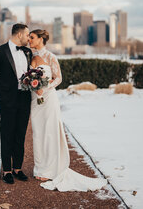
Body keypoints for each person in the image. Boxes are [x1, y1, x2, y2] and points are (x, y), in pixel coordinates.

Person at [28, 29, 108, 191]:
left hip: (49, 98)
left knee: (49, 132)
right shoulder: (30, 57)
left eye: (32, 37)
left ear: (41, 39)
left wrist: (45, 87)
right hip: (35, 100)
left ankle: (50, 169)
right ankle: (40, 168)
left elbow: (58, 78)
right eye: (29, 37)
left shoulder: (51, 57)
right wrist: (31, 84)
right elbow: (28, 77)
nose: (29, 40)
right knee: (38, 133)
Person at [0, 23, 33, 184]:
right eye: (27, 35)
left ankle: (17, 168)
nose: (29, 38)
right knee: (7, 135)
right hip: (7, 100)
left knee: (20, 134)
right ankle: (6, 171)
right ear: (19, 35)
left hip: (25, 98)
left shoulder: (28, 52)